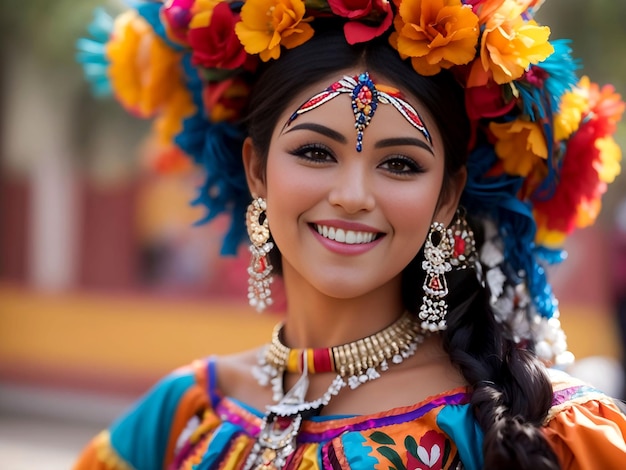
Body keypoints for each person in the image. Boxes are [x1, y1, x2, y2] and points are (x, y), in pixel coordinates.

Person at [74, 0, 626, 468]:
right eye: (315, 152)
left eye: (401, 164)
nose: (353, 195)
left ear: (447, 196)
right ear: (257, 170)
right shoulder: (184, 412)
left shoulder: (546, 432)